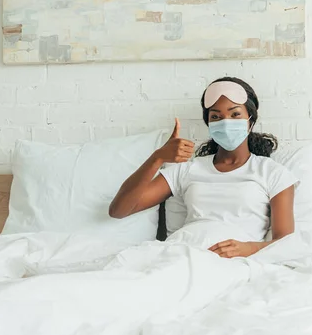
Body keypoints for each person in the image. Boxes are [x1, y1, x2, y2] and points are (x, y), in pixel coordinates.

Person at [109, 77, 298, 258]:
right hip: (181, 252)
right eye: (216, 116)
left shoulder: (272, 173)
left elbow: (286, 242)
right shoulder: (187, 170)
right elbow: (119, 210)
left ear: (251, 119)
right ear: (209, 123)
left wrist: (249, 248)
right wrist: (157, 157)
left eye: (235, 114)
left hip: (232, 262)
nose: (225, 122)